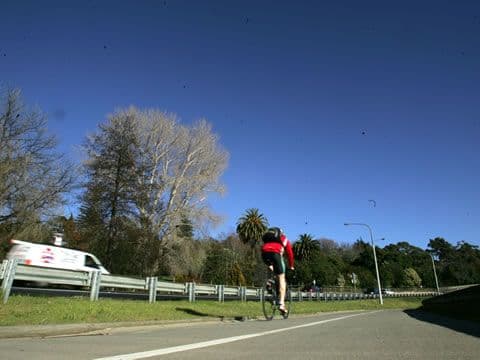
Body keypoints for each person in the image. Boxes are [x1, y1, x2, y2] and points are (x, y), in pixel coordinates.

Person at [261, 227, 295, 314]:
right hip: (276, 255)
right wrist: (291, 266)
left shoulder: (268, 239)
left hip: (264, 253)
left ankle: (269, 281)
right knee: (281, 278)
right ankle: (281, 304)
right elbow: (290, 254)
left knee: (271, 266)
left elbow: (266, 248)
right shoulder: (284, 239)